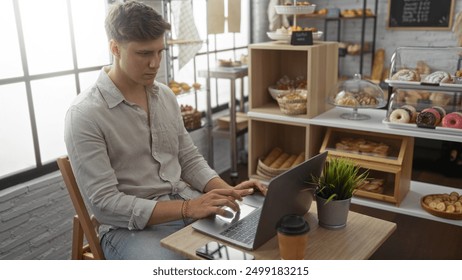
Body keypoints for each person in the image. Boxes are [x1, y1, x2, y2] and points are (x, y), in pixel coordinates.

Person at [64, 1, 265, 260]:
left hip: (189, 207)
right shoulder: (85, 115)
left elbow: (189, 159)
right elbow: (105, 205)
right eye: (144, 53)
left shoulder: (165, 96)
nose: (155, 63)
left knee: (256, 243)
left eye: (160, 52)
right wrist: (187, 208)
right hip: (130, 230)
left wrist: (229, 192)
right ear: (115, 48)